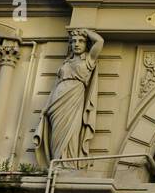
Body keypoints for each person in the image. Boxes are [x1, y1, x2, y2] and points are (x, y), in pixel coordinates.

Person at [35, 28, 104, 166]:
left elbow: (100, 41)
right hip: (57, 99)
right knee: (56, 134)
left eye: (81, 41)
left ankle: (67, 164)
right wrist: (46, 106)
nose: (76, 44)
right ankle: (57, 162)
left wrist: (84, 30)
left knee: (71, 132)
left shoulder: (89, 60)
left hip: (74, 97)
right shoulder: (66, 63)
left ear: (86, 44)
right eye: (73, 42)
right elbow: (55, 86)